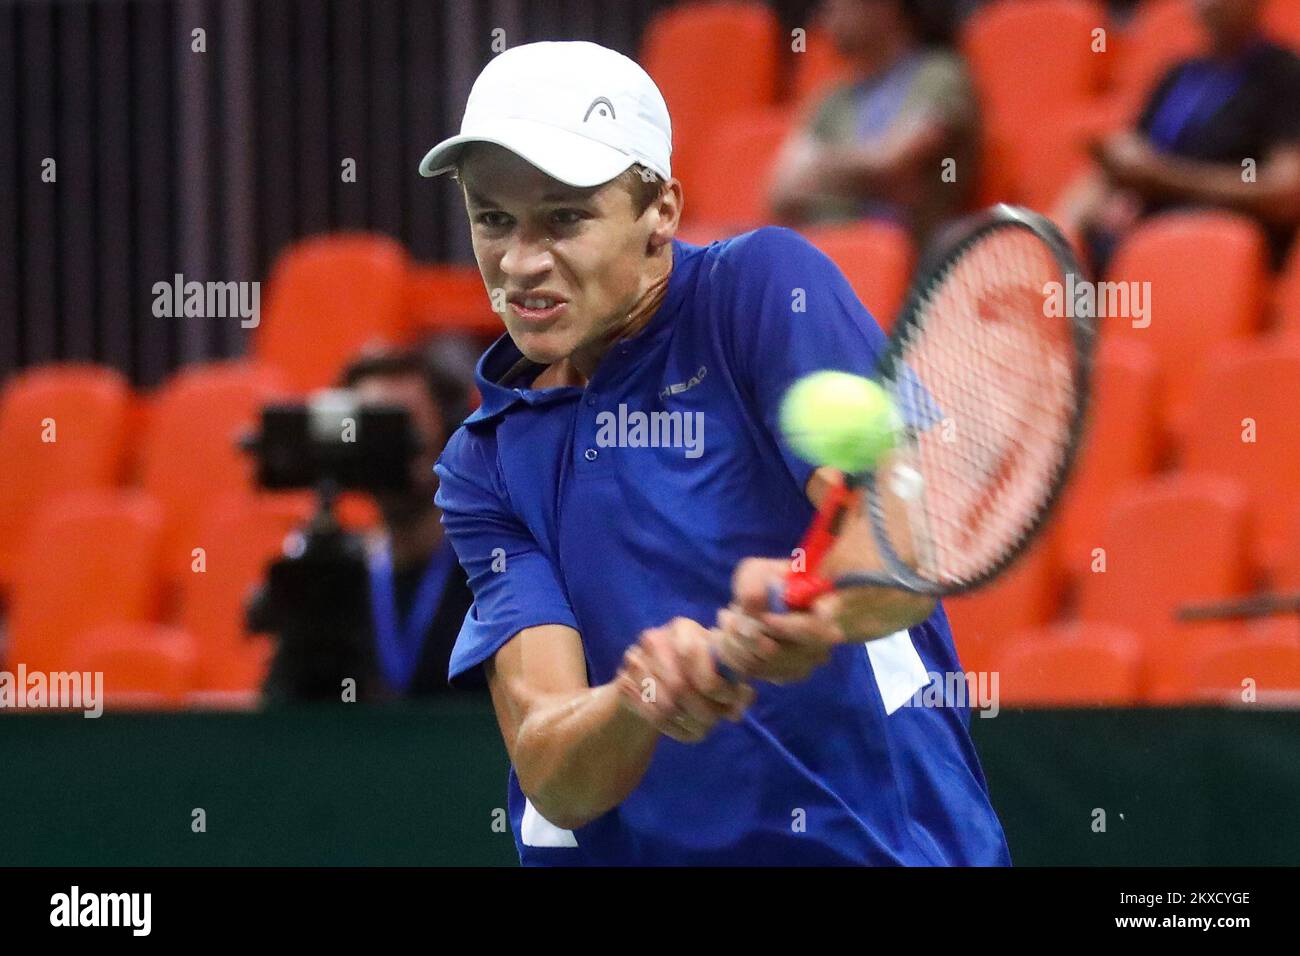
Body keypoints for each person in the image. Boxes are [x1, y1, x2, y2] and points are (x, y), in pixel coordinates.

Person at [420, 40, 1010, 865]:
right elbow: (553, 769)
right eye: (493, 219)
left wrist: (822, 611)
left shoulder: (761, 289)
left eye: (565, 217)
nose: (520, 263)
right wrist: (641, 697)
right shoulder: (483, 463)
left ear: (661, 208)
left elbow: (901, 543)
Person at [1057, 0, 1300, 272]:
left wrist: (1162, 178)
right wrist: (1063, 229)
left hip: (1217, 252)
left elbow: (1285, 195)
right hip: (1137, 239)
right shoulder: (1179, 73)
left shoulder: (1284, 75)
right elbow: (1124, 159)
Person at [339, 339, 486, 698]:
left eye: (401, 425)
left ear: (448, 431)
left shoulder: (492, 572)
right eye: (371, 429)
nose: (387, 449)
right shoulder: (331, 580)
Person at [767, 0, 980, 244]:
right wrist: (873, 176)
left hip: (913, 269)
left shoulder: (940, 76)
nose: (823, 13)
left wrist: (817, 169)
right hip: (828, 257)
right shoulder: (831, 99)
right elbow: (780, 191)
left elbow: (892, 165)